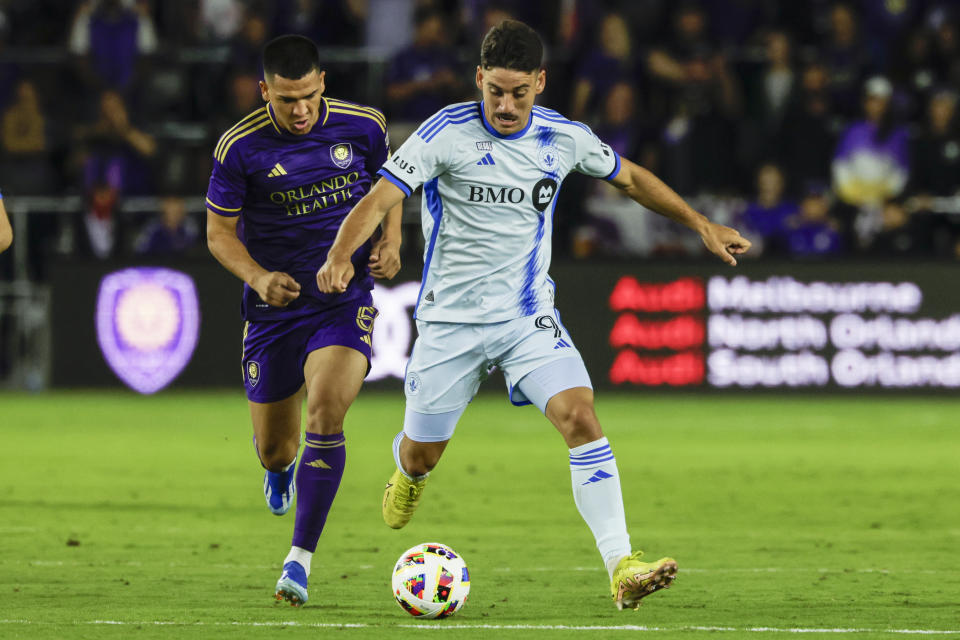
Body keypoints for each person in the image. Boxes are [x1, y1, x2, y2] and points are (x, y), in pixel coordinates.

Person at [317, 20, 750, 610]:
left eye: (519, 91)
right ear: (479, 79)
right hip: (450, 326)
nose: (505, 103)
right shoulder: (445, 131)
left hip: (526, 317)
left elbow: (630, 178)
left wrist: (701, 224)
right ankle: (407, 471)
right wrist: (342, 254)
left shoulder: (563, 138)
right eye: (495, 90)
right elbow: (380, 197)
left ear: (540, 82)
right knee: (423, 453)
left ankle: (621, 564)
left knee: (580, 417)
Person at [205, 34, 402, 607]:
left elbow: (391, 189)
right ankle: (277, 470)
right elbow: (219, 233)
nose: (300, 111)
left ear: (323, 84)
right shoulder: (238, 148)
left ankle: (299, 561)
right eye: (287, 99)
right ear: (264, 90)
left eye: (309, 97)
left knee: (326, 410)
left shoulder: (364, 126)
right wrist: (259, 277)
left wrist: (391, 242)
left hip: (344, 297)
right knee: (276, 448)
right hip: (276, 307)